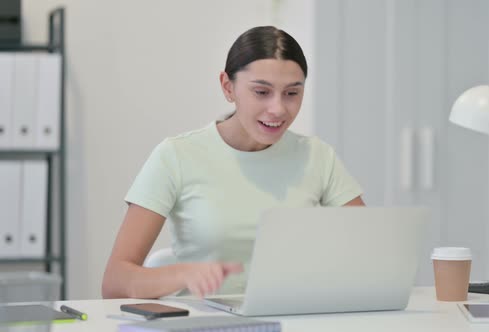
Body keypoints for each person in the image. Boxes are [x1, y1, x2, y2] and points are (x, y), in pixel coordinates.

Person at [101, 26, 364, 299]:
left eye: (291, 93)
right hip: (204, 324)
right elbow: (115, 282)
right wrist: (183, 273)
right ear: (228, 87)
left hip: (295, 318)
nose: (278, 109)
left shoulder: (318, 157)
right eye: (262, 92)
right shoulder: (176, 155)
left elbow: (371, 253)